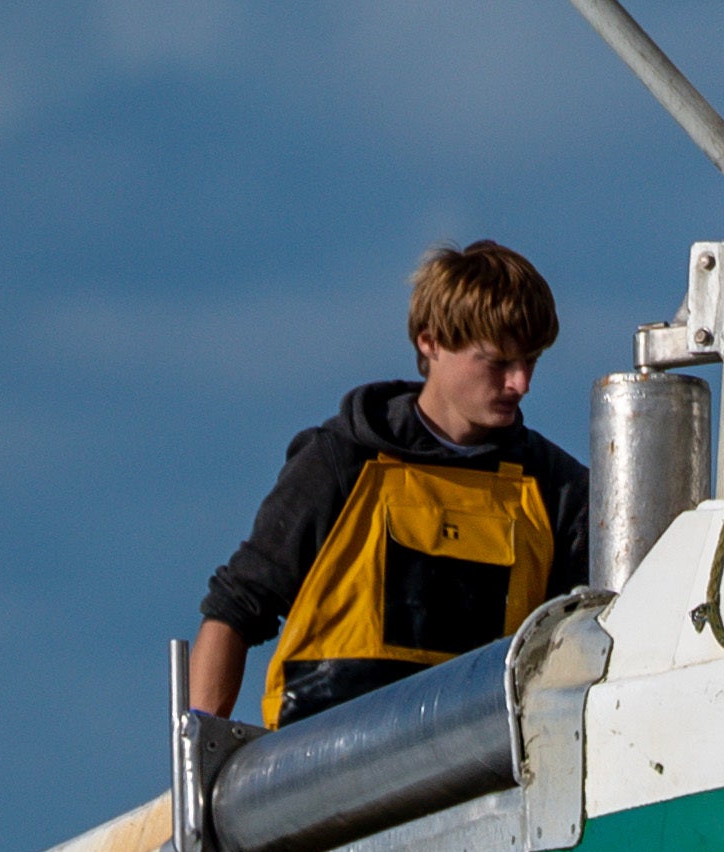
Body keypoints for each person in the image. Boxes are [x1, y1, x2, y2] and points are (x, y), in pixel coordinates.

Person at [189, 242, 593, 727]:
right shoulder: (341, 460)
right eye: (498, 362)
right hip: (323, 768)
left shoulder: (558, 490)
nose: (520, 384)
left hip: (484, 772)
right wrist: (200, 762)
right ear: (431, 342)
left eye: (531, 361)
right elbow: (236, 608)